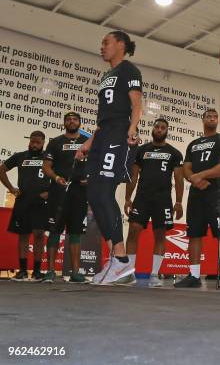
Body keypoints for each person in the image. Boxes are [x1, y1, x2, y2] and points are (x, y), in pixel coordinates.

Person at [75, 30, 143, 285]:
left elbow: (136, 104)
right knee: (93, 194)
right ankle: (116, 258)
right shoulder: (107, 76)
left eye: (106, 42)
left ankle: (122, 260)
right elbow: (103, 119)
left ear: (120, 45)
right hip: (103, 135)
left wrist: (132, 129)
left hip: (118, 133)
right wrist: (89, 143)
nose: (102, 46)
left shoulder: (129, 70)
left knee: (104, 192)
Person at [176, 108, 220, 288]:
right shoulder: (193, 144)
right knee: (194, 234)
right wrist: (194, 178)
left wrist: (199, 176)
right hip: (195, 195)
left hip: (216, 194)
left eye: (215, 116)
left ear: (218, 120)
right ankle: (193, 276)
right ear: (203, 120)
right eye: (208, 116)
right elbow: (186, 168)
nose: (212, 119)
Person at [124, 118, 184, 288]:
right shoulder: (141, 150)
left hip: (163, 198)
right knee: (133, 231)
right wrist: (128, 198)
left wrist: (179, 202)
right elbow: (133, 176)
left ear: (167, 131)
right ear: (152, 129)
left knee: (160, 235)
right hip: (142, 197)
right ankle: (129, 274)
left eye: (162, 127)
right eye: (156, 127)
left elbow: (179, 179)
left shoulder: (175, 153)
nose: (159, 129)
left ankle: (154, 274)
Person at [42, 111, 89, 283]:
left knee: (75, 232)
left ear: (79, 123)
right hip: (59, 191)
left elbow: (96, 164)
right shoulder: (55, 142)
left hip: (80, 192)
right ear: (64, 123)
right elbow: (46, 166)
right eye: (68, 119)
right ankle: (50, 271)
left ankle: (75, 272)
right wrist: (55, 178)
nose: (71, 121)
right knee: (54, 230)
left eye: (74, 119)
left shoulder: (87, 142)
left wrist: (89, 179)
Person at [0, 131, 49, 281]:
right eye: (32, 142)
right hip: (23, 200)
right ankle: (22, 271)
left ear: (43, 143)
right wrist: (11, 188)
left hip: (41, 201)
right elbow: (1, 169)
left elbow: (60, 175)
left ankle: (37, 271)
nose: (34, 145)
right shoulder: (20, 156)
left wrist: (50, 191)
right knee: (23, 234)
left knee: (40, 234)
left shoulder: (49, 158)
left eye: (38, 143)